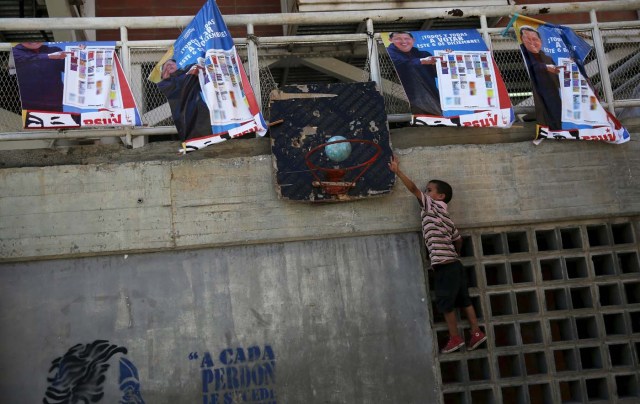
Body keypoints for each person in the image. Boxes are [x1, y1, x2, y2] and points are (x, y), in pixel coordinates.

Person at [388, 154, 487, 354]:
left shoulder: (430, 206)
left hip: (443, 266)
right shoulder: (446, 216)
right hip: (455, 264)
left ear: (439, 197)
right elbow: (458, 239)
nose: (425, 192)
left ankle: (455, 337)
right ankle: (476, 332)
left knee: (445, 304)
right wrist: (455, 253)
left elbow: (414, 189)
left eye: (430, 190)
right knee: (464, 300)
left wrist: (397, 171)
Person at [386, 32, 443, 116]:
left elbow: (437, 74)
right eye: (398, 38)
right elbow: (401, 64)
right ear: (390, 40)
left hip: (431, 97)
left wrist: (446, 58)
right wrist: (422, 61)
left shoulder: (424, 54)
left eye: (407, 38)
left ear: (413, 40)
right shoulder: (388, 53)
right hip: (404, 99)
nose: (403, 41)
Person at [156, 58, 212, 142]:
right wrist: (190, 74)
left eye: (172, 64)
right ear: (162, 73)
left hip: (200, 111)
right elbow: (176, 87)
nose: (170, 65)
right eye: (166, 66)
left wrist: (198, 70)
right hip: (184, 115)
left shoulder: (187, 70)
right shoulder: (163, 84)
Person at [520, 26, 563, 130]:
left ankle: (557, 130)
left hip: (552, 91)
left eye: (534, 39)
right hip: (536, 91)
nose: (531, 42)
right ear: (522, 40)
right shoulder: (523, 54)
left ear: (541, 41)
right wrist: (545, 67)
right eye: (527, 39)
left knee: (557, 113)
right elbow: (532, 66)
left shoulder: (547, 57)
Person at [12, 42, 68, 112]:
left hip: (55, 104)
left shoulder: (54, 50)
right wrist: (48, 56)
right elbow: (25, 59)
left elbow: (69, 69)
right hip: (27, 105)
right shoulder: (14, 52)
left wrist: (82, 54)